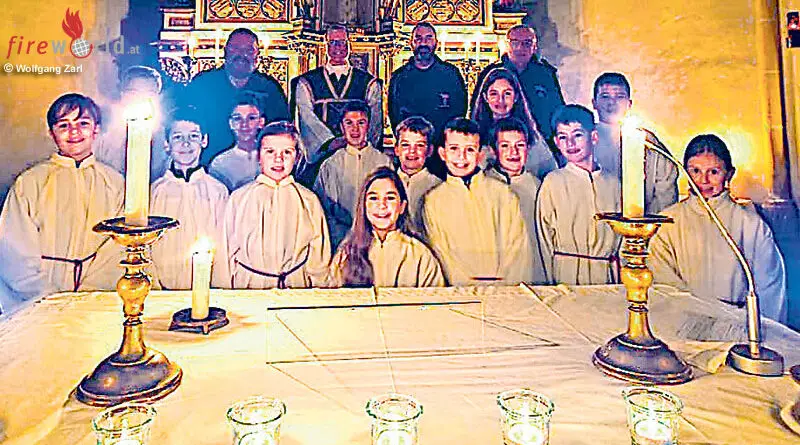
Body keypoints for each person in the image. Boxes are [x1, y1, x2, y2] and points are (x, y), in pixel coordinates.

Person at [0, 94, 124, 313]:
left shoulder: (114, 182)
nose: (74, 132)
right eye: (64, 125)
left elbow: (117, 246)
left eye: (83, 124)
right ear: (51, 133)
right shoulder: (30, 182)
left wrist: (89, 292)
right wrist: (50, 296)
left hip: (96, 298)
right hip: (39, 299)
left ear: (96, 130)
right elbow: (14, 249)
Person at [649, 135, 787, 323]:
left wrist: (755, 326)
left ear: (729, 174)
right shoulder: (668, 222)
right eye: (695, 171)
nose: (703, 180)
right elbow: (662, 279)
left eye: (713, 172)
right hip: (685, 323)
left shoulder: (750, 225)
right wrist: (692, 316)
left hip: (738, 325)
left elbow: (769, 286)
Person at [422, 118, 533, 285]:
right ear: (443, 153)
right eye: (454, 149)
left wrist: (508, 288)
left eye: (470, 150)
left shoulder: (503, 193)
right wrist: (465, 287)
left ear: (480, 155)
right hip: (461, 291)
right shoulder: (433, 200)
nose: (461, 157)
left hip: (505, 290)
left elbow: (518, 248)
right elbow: (441, 254)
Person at [221, 121, 330, 289]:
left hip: (295, 285)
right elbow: (226, 251)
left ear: (297, 157)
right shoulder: (239, 199)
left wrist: (319, 289)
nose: (278, 159)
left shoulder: (308, 200)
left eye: (287, 152)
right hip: (250, 285)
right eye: (270, 151)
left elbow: (319, 255)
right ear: (259, 156)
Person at [536, 104, 620, 285]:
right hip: (566, 275)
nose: (570, 144)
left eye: (577, 135)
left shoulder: (613, 183)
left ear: (594, 137)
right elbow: (544, 239)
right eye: (563, 137)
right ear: (556, 142)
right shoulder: (553, 182)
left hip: (606, 275)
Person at [291, 24, 383, 184]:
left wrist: (360, 144)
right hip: (322, 156)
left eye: (342, 42)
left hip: (358, 155)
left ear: (349, 44)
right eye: (332, 42)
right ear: (326, 45)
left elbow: (375, 119)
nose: (337, 47)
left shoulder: (369, 83)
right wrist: (329, 142)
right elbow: (306, 117)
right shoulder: (307, 82)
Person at [181, 28, 289, 164]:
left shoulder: (269, 87)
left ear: (257, 55)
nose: (242, 54)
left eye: (249, 50)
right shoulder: (203, 83)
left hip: (257, 164)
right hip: (208, 161)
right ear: (225, 51)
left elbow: (280, 129)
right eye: (236, 48)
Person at [150, 107, 229, 290]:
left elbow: (223, 245)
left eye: (193, 136)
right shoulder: (154, 192)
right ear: (167, 144)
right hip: (162, 286)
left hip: (206, 287)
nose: (186, 144)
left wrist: (220, 288)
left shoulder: (218, 191)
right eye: (178, 137)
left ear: (204, 140)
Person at [330, 167, 445, 287]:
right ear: (364, 206)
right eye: (374, 198)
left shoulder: (420, 254)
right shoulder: (346, 254)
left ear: (402, 206)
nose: (382, 205)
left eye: (390, 198)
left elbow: (435, 297)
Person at [591, 72, 678, 213]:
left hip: (639, 219)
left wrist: (648, 218)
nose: (612, 102)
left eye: (619, 96)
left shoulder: (646, 140)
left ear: (629, 104)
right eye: (605, 96)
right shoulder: (584, 139)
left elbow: (666, 183)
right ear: (594, 103)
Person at [388, 22, 467, 175]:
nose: (423, 43)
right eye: (418, 38)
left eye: (428, 38)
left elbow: (459, 113)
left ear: (436, 42)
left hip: (442, 153)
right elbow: (394, 115)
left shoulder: (451, 75)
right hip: (412, 153)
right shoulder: (399, 77)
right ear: (411, 43)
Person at [314, 101, 392, 248]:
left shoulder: (382, 162)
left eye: (361, 123)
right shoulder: (331, 164)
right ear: (341, 127)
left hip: (375, 238)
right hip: (339, 239)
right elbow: (321, 208)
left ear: (368, 125)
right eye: (349, 123)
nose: (355, 129)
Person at [472, 24, 565, 140]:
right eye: (515, 43)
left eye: (527, 43)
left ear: (534, 47)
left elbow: (557, 110)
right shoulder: (490, 73)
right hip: (496, 139)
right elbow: (477, 110)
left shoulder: (546, 75)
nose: (520, 48)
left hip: (539, 139)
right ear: (507, 45)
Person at [484, 117, 546, 284]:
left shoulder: (538, 186)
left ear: (528, 148)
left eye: (520, 145)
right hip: (494, 272)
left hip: (532, 270)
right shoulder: (482, 184)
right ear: (494, 150)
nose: (513, 152)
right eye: (505, 146)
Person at [471, 67, 557, 178]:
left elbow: (550, 171)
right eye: (494, 94)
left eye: (507, 93)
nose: (500, 100)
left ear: (516, 96)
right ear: (485, 97)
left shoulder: (531, 136)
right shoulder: (475, 134)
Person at [94, 65, 170, 181]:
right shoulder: (101, 132)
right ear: (122, 94)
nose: (141, 99)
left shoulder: (164, 136)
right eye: (134, 93)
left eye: (149, 94)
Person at [393, 117, 442, 238]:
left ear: (430, 150)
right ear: (396, 149)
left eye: (420, 145)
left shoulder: (437, 186)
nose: (412, 151)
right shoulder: (386, 182)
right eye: (405, 145)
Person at [208, 94, 266, 191]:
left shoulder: (272, 158)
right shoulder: (220, 164)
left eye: (251, 118)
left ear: (261, 122)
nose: (244, 125)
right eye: (238, 118)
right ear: (231, 123)